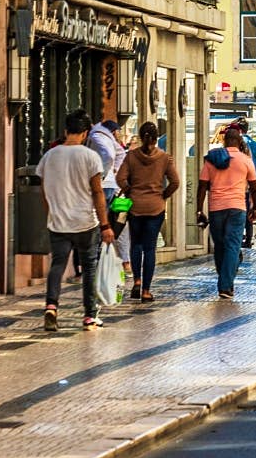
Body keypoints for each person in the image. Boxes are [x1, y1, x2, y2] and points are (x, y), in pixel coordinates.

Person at [39, 111, 111, 331]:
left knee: (57, 265)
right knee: (89, 267)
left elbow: (44, 191)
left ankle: (51, 306)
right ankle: (90, 315)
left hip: (58, 222)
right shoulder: (90, 157)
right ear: (85, 133)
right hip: (85, 223)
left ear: (65, 131)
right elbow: (98, 193)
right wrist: (105, 224)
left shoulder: (49, 156)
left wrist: (52, 212)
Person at [198, 121, 256, 297]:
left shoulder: (213, 159)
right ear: (239, 142)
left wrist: (198, 210)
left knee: (219, 246)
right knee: (233, 245)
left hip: (216, 208)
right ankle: (226, 284)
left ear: (225, 141)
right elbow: (255, 188)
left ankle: (225, 280)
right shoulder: (246, 160)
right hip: (237, 208)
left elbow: (202, 186)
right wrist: (255, 208)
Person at [116, 121, 178, 299]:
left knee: (136, 244)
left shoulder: (131, 156)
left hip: (135, 206)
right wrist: (163, 195)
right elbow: (175, 182)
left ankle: (136, 281)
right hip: (155, 207)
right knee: (150, 249)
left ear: (141, 137)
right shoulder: (165, 158)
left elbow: (121, 178)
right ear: (157, 138)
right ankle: (146, 290)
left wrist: (130, 191)